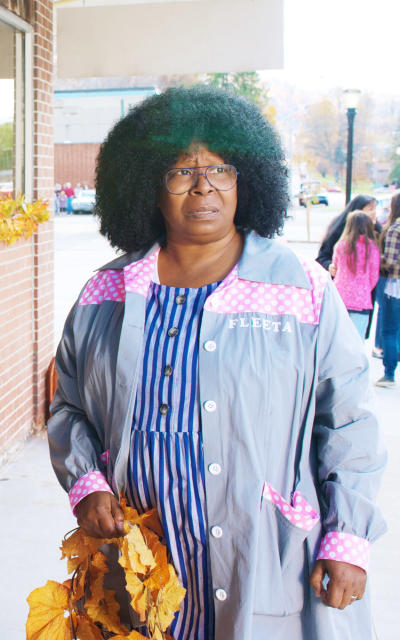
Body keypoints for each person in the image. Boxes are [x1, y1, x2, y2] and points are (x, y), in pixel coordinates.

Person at [47, 86, 385, 640]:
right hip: (142, 562)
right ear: (148, 185)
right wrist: (86, 483)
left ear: (244, 179)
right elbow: (69, 406)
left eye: (221, 168)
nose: (204, 185)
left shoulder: (301, 290)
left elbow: (350, 420)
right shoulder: (103, 294)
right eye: (181, 171)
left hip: (266, 558)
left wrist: (348, 538)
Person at [330, 210, 381, 336]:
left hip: (340, 297)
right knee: (357, 340)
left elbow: (335, 267)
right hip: (362, 299)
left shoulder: (341, 245)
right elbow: (374, 276)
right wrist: (364, 288)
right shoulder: (372, 248)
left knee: (339, 338)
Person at [376, 193, 400, 387]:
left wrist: (373, 260)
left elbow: (390, 262)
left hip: (395, 286)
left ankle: (389, 373)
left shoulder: (395, 229)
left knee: (389, 331)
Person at [315, 194, 377, 270]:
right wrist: (330, 266)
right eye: (370, 209)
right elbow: (322, 257)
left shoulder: (377, 230)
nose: (374, 212)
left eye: (375, 209)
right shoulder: (339, 229)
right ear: (357, 212)